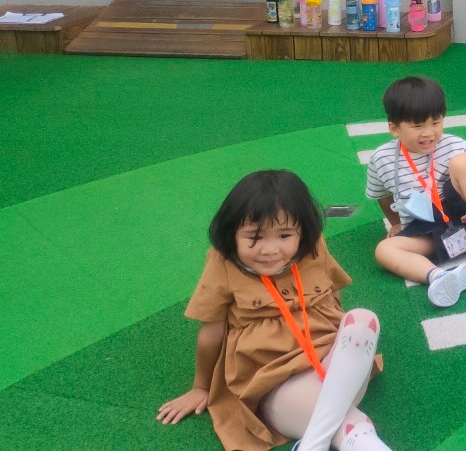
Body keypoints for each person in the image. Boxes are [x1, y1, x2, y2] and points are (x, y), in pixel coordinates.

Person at [157, 170, 394, 451]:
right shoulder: (223, 263)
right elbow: (212, 332)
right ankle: (332, 439)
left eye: (284, 235)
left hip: (335, 365)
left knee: (363, 319)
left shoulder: (313, 247)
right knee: (337, 417)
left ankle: (314, 442)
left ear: (303, 230)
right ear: (231, 233)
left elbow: (333, 295)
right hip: (275, 383)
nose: (270, 249)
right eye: (255, 237)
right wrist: (201, 387)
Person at [365, 76, 466, 308]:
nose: (428, 133)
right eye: (418, 126)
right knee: (384, 250)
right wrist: (396, 223)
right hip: (428, 229)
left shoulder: (452, 144)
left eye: (435, 122)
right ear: (394, 128)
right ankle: (440, 277)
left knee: (462, 162)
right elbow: (383, 196)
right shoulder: (381, 159)